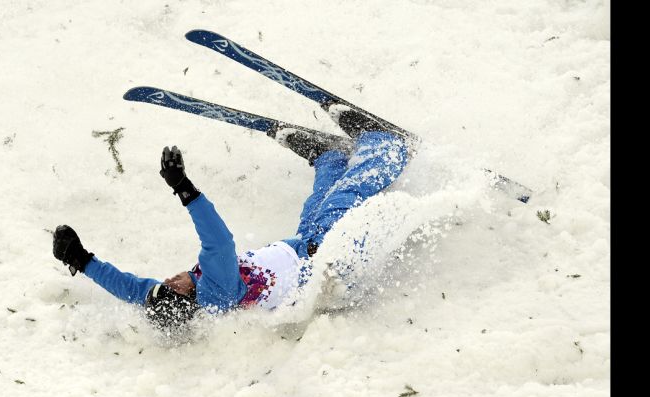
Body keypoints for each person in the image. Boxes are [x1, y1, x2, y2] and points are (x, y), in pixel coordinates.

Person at [53, 106, 409, 328]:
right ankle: (386, 147)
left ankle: (329, 158)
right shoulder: (216, 286)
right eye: (171, 286)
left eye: (163, 284)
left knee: (318, 203)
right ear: (184, 297)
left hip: (303, 247)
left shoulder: (191, 303)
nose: (168, 279)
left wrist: (80, 260)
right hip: (331, 256)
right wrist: (183, 187)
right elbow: (218, 240)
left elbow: (131, 288)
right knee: (346, 198)